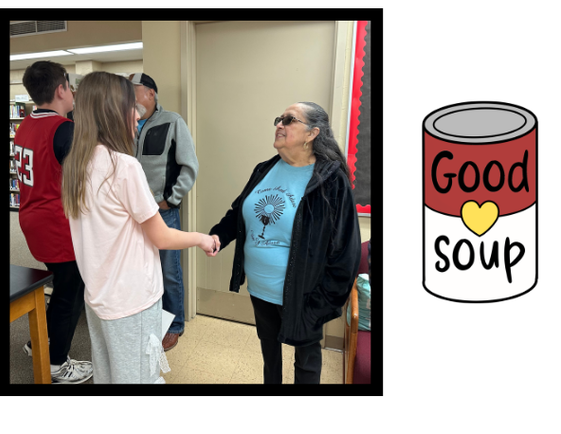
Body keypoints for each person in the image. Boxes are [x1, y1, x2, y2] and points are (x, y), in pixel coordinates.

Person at [61, 72, 219, 384]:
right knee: (140, 377)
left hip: (99, 296)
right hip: (132, 299)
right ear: (111, 110)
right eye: (129, 106)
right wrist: (202, 238)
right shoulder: (124, 166)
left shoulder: (76, 165)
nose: (137, 114)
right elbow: (161, 236)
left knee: (107, 372)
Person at [209, 102, 360, 385]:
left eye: (289, 120)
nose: (280, 124)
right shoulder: (264, 169)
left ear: (312, 133)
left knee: (306, 364)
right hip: (260, 288)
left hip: (305, 296)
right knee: (270, 358)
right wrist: (217, 235)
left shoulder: (330, 179)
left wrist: (323, 303)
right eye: (279, 118)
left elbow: (345, 251)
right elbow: (238, 213)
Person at [14, 61, 93, 383]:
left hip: (32, 220)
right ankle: (57, 363)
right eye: (70, 86)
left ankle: (40, 342)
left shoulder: (25, 125)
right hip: (58, 225)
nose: (72, 92)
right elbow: (88, 179)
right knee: (69, 294)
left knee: (62, 287)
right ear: (61, 89)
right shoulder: (63, 129)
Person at [128, 72, 198, 351]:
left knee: (169, 271)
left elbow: (189, 165)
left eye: (134, 95)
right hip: (133, 213)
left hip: (162, 211)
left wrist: (170, 199)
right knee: (140, 269)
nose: (130, 102)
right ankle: (148, 319)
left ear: (151, 94)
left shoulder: (172, 121)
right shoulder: (125, 123)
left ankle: (175, 325)